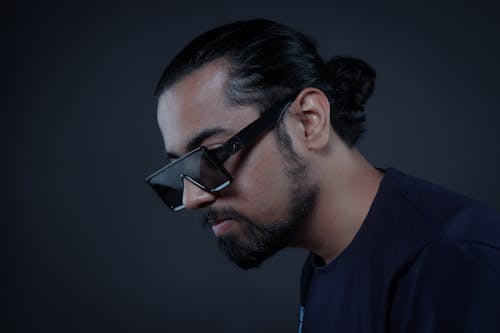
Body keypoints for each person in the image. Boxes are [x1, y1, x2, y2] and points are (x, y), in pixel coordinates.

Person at [145, 19, 500, 332]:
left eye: (209, 156)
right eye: (182, 171)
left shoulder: (454, 264)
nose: (194, 199)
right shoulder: (323, 262)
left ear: (308, 121)